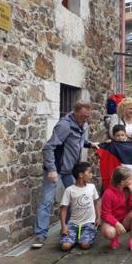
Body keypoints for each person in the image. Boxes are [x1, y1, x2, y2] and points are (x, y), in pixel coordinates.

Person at [32, 101, 100, 249]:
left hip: (70, 170)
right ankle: (41, 235)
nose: (85, 119)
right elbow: (48, 148)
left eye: (87, 116)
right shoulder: (64, 125)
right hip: (56, 169)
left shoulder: (83, 124)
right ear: (75, 113)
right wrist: (51, 169)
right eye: (83, 116)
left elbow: (77, 141)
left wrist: (90, 144)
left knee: (76, 199)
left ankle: (70, 231)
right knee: (46, 201)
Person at [100, 166, 132, 252]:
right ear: (122, 182)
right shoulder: (108, 193)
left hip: (124, 220)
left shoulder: (129, 190)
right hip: (112, 222)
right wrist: (116, 224)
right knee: (109, 233)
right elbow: (105, 214)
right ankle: (114, 238)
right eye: (130, 179)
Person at [59, 162, 100, 251]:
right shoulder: (69, 190)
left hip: (88, 223)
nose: (91, 175)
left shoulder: (92, 187)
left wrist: (98, 218)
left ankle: (84, 237)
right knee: (65, 246)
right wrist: (63, 226)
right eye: (89, 172)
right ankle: (73, 238)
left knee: (85, 245)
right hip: (73, 223)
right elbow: (63, 209)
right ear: (81, 175)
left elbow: (96, 203)